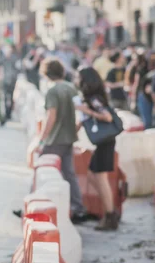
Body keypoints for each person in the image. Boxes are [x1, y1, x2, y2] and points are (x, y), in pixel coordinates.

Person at [38, 58, 87, 222]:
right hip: (69, 137)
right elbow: (81, 114)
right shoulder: (71, 88)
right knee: (69, 173)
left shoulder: (52, 91)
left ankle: (38, 206)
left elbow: (51, 116)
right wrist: (74, 131)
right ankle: (78, 207)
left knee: (43, 171)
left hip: (55, 139)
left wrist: (42, 139)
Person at [75, 67, 118, 230]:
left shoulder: (94, 99)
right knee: (94, 175)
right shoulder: (91, 98)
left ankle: (110, 215)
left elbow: (106, 117)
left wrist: (86, 110)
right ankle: (109, 211)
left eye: (79, 78)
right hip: (103, 142)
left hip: (105, 141)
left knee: (100, 178)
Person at [131, 53, 153, 128]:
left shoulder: (140, 70)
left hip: (143, 94)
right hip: (149, 94)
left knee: (146, 118)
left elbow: (136, 84)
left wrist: (133, 99)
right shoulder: (150, 69)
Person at [2, 44, 19, 120]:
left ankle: (9, 113)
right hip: (5, 81)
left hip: (12, 80)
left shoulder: (14, 58)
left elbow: (18, 68)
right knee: (5, 97)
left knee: (11, 97)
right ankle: (6, 113)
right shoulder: (3, 59)